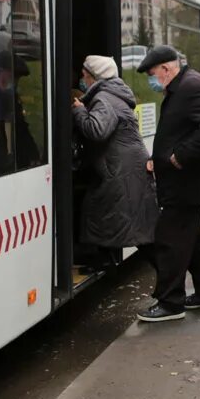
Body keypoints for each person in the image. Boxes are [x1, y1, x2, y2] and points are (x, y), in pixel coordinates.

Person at [135, 45, 200, 322]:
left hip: (187, 183)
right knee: (193, 240)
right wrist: (159, 159)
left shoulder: (191, 86)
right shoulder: (180, 87)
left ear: (166, 69)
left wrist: (178, 158)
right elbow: (179, 129)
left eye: (152, 74)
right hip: (183, 182)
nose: (152, 80)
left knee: (169, 240)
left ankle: (170, 302)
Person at [71, 55, 158, 266]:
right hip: (124, 170)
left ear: (94, 76)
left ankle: (171, 285)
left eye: (84, 75)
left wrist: (78, 110)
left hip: (122, 172)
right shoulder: (112, 94)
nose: (82, 79)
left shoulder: (103, 98)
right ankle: (103, 258)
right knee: (105, 214)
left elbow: (97, 130)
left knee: (134, 229)